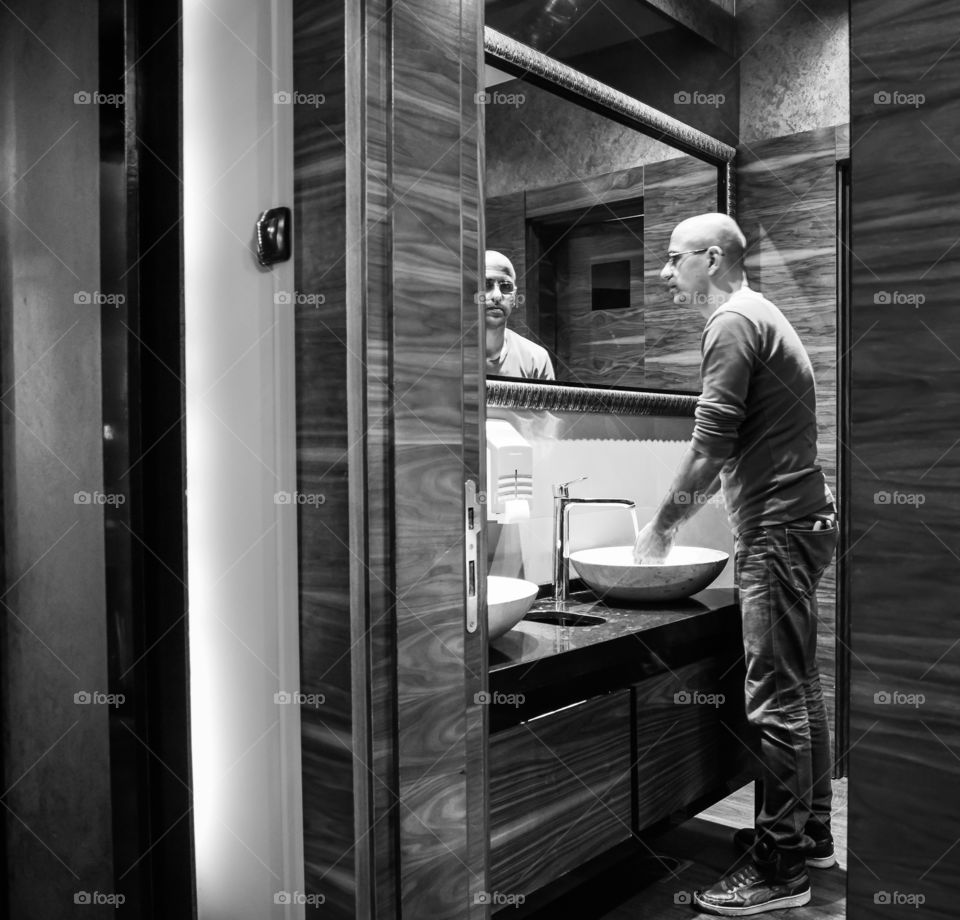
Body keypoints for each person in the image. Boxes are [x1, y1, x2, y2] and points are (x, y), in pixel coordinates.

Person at [633, 213, 838, 915]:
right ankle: (809, 834)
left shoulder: (731, 322)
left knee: (776, 697)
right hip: (802, 522)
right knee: (799, 683)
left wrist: (660, 527)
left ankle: (779, 869)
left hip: (779, 530)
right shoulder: (761, 314)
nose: (664, 272)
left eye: (674, 257)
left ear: (712, 258)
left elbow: (711, 444)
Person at [484, 250, 555, 379]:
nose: (497, 296)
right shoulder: (448, 356)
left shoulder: (536, 359)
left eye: (505, 286)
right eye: (486, 285)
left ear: (515, 297)